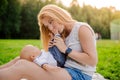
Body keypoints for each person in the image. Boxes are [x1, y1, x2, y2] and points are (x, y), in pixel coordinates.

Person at [0, 4, 98, 80]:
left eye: (51, 22)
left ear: (58, 14)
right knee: (21, 59)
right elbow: (57, 58)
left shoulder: (82, 29)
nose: (50, 28)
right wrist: (53, 47)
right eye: (47, 26)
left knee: (22, 66)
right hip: (64, 68)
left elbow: (92, 61)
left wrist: (65, 49)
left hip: (79, 75)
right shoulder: (61, 32)